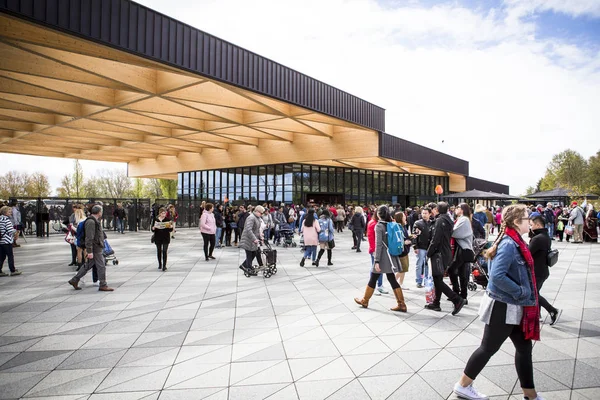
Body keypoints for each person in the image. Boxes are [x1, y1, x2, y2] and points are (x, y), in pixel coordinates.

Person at [452, 204, 542, 400]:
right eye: (527, 219)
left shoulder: (514, 240)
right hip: (503, 307)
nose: (531, 222)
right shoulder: (510, 244)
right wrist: (522, 291)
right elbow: (497, 277)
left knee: (524, 349)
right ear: (517, 222)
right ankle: (463, 386)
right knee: (488, 348)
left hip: (513, 306)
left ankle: (531, 394)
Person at [354, 205, 407, 312]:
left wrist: (377, 260)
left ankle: (365, 300)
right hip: (391, 256)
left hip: (383, 257)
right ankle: (401, 304)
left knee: (374, 277)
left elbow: (378, 244)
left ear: (378, 214)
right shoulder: (391, 224)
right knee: (390, 278)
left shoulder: (379, 226)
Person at [425, 202, 466, 315]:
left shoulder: (439, 221)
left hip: (439, 253)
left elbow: (436, 239)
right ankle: (436, 302)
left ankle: (456, 299)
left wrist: (428, 253)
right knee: (438, 278)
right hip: (446, 252)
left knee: (437, 279)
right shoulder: (448, 219)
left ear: (437, 210)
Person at [68, 205, 114, 291]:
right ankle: (103, 284)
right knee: (101, 266)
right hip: (95, 248)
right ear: (99, 212)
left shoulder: (94, 221)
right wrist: (89, 251)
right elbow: (89, 237)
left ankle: (74, 279)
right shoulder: (91, 222)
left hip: (96, 247)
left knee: (87, 266)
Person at [528, 212, 561, 325]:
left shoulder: (538, 238)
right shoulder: (545, 236)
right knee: (536, 292)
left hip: (537, 271)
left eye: (531, 225)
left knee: (533, 294)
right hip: (542, 270)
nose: (530, 227)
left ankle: (552, 310)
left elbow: (527, 253)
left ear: (537, 225)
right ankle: (538, 315)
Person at [449, 203, 475, 304]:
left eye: (458, 207)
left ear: (462, 209)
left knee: (452, 270)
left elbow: (456, 233)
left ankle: (456, 293)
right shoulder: (464, 219)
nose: (456, 209)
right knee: (462, 273)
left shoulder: (464, 219)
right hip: (463, 249)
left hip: (462, 249)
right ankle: (463, 296)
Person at [239, 205, 265, 273]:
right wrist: (254, 239)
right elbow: (248, 229)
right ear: (257, 211)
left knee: (253, 253)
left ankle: (245, 266)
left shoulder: (257, 218)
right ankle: (248, 268)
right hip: (248, 239)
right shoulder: (251, 218)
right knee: (250, 254)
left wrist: (260, 236)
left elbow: (256, 230)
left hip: (252, 239)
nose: (261, 214)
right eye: (261, 213)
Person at [368, 211, 389, 295]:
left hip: (380, 249)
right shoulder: (373, 224)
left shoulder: (379, 223)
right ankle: (374, 286)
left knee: (379, 268)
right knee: (375, 268)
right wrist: (374, 250)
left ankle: (379, 285)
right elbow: (371, 237)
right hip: (375, 249)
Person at [413, 207, 432, 288]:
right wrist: (415, 247)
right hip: (420, 247)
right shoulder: (418, 223)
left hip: (429, 247)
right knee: (419, 264)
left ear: (430, 214)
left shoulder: (432, 223)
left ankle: (426, 280)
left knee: (427, 265)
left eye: (426, 213)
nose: (424, 215)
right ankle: (419, 281)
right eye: (423, 213)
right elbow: (414, 235)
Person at [393, 211, 412, 290]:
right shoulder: (397, 227)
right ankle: (394, 282)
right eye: (404, 216)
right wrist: (404, 242)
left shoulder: (403, 226)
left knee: (404, 268)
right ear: (400, 218)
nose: (405, 217)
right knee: (402, 269)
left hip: (405, 250)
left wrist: (411, 237)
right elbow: (396, 240)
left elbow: (405, 236)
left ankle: (399, 283)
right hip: (401, 251)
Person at [0, 206, 21, 276]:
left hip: (1, 241)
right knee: (10, 256)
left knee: (2, 256)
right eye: (9, 211)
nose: (11, 213)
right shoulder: (7, 220)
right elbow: (10, 231)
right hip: (7, 240)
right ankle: (12, 270)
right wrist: (16, 231)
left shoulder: (0, 219)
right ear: (5, 212)